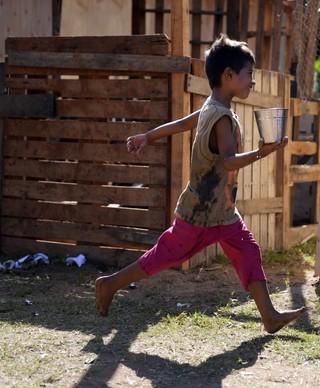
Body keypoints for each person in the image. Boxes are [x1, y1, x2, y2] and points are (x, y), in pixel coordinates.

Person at [95, 34, 305, 334]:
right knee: (164, 256)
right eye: (249, 75)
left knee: (248, 251)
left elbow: (182, 124)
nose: (253, 82)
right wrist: (262, 152)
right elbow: (230, 161)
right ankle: (109, 284)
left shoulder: (213, 107)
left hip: (222, 210)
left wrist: (148, 136)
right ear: (228, 75)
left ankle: (269, 316)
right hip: (199, 213)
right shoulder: (221, 118)